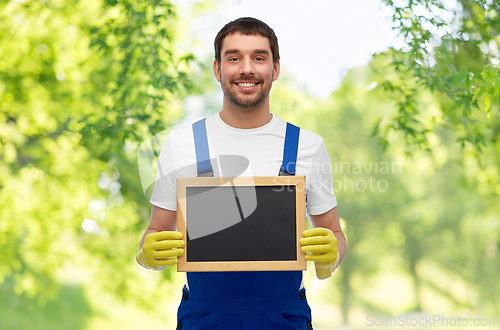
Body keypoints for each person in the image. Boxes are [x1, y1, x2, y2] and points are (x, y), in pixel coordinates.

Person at [136, 17, 347, 330]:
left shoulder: (307, 146)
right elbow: (155, 230)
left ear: (275, 69)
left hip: (284, 317)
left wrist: (331, 254)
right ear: (218, 69)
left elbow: (335, 234)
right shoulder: (181, 145)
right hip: (204, 317)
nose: (246, 68)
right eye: (234, 58)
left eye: (259, 57)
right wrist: (147, 253)